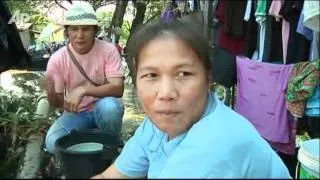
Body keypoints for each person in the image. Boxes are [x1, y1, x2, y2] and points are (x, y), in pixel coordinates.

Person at [91, 20, 292, 178]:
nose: (166, 93)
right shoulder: (155, 126)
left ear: (208, 79)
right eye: (151, 75)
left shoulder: (215, 147)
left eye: (184, 74)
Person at [43, 1, 124, 154]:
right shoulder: (57, 59)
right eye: (74, 29)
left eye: (86, 29)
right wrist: (50, 92)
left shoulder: (108, 50)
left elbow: (118, 89)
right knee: (53, 143)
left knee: (110, 108)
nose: (80, 35)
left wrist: (83, 90)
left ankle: (111, 148)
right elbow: (58, 103)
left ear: (95, 31)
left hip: (102, 108)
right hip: (76, 114)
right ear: (67, 32)